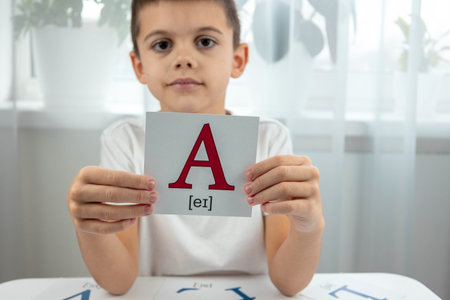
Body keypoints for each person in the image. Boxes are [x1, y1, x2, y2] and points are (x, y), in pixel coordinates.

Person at [66, 0, 325, 296]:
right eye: (163, 44)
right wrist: (89, 226)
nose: (184, 58)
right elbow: (118, 282)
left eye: (205, 41)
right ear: (139, 66)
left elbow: (289, 283)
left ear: (237, 60)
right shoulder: (124, 142)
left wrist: (309, 226)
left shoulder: (269, 139)